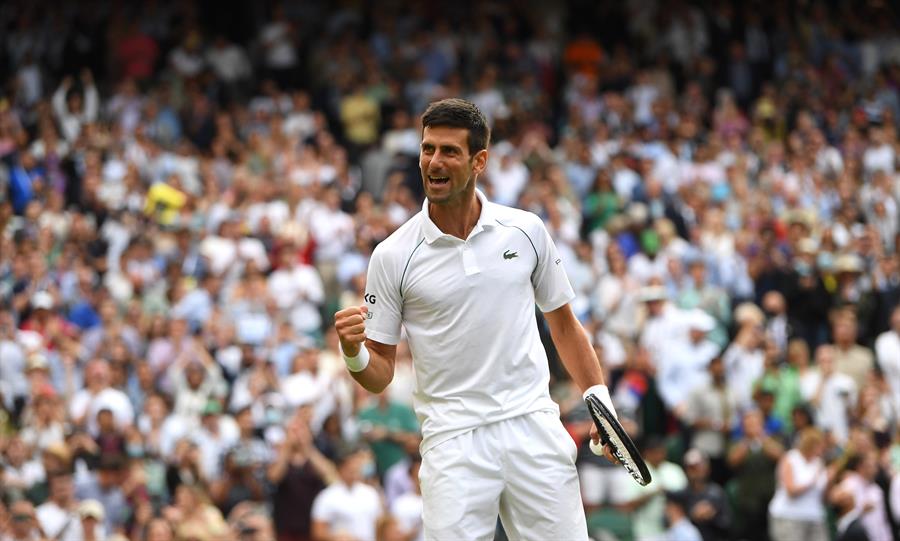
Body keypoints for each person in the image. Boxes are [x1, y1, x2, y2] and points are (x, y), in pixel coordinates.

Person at [334, 98, 617, 540]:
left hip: (533, 428)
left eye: (449, 151)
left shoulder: (526, 230)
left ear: (479, 160)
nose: (434, 162)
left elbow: (563, 324)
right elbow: (379, 374)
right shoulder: (391, 256)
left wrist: (599, 400)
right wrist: (353, 353)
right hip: (453, 443)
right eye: (428, 149)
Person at [767, 427, 830, 541]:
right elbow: (791, 491)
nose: (823, 448)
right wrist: (811, 481)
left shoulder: (819, 462)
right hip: (789, 517)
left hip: (815, 517)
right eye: (819, 444)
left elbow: (823, 496)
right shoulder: (790, 458)